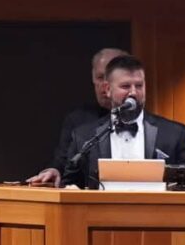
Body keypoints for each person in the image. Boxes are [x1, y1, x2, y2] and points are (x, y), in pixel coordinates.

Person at [62, 53, 185, 188]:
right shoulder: (84, 136)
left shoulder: (175, 134)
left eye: (139, 85)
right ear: (108, 89)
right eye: (125, 86)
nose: (133, 93)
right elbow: (69, 185)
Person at [27, 46, 125, 187]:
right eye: (100, 77)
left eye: (110, 78)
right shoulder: (78, 120)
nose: (105, 85)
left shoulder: (148, 125)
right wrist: (53, 171)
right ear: (92, 78)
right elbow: (62, 161)